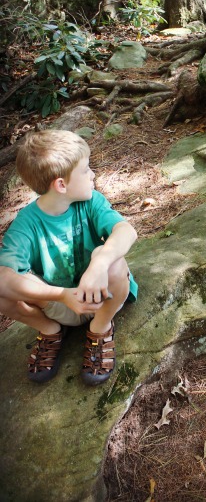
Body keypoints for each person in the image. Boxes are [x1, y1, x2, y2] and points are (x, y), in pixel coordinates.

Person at [0, 130, 138, 386]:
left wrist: (99, 262)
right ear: (61, 185)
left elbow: (126, 231)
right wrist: (61, 295)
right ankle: (50, 331)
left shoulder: (91, 202)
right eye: (86, 169)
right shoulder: (26, 224)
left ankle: (100, 329)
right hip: (58, 305)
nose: (93, 174)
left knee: (112, 260)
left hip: (101, 296)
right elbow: (3, 279)